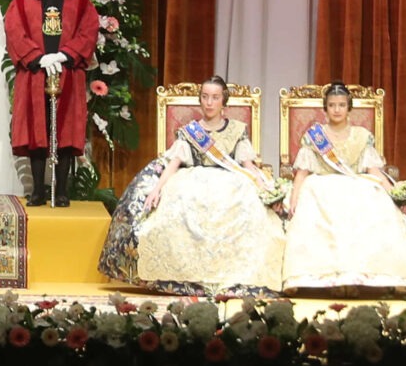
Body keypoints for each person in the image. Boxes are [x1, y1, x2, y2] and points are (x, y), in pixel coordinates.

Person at [100, 77, 286, 294]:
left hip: (231, 184)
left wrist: (263, 184)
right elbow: (173, 164)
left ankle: (234, 276)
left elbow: (248, 165)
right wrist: (157, 189)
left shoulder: (236, 130)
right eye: (205, 97)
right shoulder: (191, 131)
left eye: (215, 98)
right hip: (193, 183)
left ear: (223, 102)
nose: (209, 102)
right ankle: (186, 277)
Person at [278, 82, 406, 294]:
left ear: (349, 108)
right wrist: (294, 198)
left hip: (356, 185)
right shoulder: (315, 137)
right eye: (332, 105)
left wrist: (393, 193)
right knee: (311, 198)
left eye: (342, 105)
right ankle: (307, 276)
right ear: (325, 109)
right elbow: (302, 172)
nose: (337, 109)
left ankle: (383, 274)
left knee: (375, 197)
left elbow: (373, 170)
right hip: (321, 186)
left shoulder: (361, 136)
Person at [3, 0, 100, 206]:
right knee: (37, 132)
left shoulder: (79, 0)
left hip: (67, 71)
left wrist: (65, 54)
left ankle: (62, 191)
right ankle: (37, 190)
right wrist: (39, 57)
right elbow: (14, 30)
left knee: (65, 131)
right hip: (35, 74)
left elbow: (89, 30)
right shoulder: (23, 0)